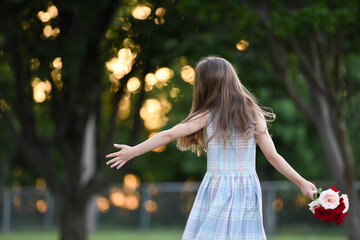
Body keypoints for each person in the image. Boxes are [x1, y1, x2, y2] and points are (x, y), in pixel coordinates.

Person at [106, 56, 318, 240]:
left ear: (205, 85)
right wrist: (301, 182)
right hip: (246, 188)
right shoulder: (253, 113)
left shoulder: (207, 114)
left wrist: (133, 151)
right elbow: (273, 156)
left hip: (218, 186)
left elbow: (169, 134)